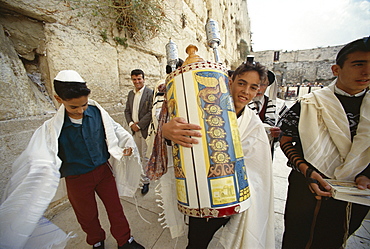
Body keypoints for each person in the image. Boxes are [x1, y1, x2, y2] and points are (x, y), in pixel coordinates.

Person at [0, 70, 145, 249]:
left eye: (83, 105)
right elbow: (39, 155)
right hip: (76, 179)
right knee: (86, 215)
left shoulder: (97, 112)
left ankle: (124, 240)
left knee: (115, 208)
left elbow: (115, 130)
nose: (81, 111)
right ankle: (96, 241)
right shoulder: (51, 129)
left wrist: (126, 146)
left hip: (103, 172)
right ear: (59, 99)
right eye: (74, 107)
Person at [158, 61, 275, 249]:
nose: (246, 91)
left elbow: (259, 170)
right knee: (197, 242)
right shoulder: (203, 108)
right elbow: (185, 140)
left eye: (253, 87)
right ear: (230, 81)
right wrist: (166, 131)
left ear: (258, 91)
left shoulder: (253, 124)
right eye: (242, 83)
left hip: (236, 198)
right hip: (202, 194)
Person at [279, 36, 370, 249]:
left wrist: (366, 174)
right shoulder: (310, 103)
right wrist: (308, 172)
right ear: (336, 69)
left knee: (334, 239)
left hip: (354, 193)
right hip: (306, 186)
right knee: (297, 238)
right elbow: (286, 140)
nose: (366, 72)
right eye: (359, 65)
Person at [124, 69, 153, 195]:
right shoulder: (131, 94)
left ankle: (146, 182)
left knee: (145, 157)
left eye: (139, 79)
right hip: (134, 130)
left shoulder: (149, 93)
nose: (137, 82)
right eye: (134, 79)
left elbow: (151, 111)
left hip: (145, 130)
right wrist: (131, 124)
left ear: (143, 79)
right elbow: (127, 111)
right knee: (137, 156)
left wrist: (139, 125)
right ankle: (141, 178)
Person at [247, 70, 287, 156]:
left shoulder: (279, 106)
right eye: (255, 84)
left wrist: (278, 133)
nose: (259, 89)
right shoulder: (238, 104)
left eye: (263, 85)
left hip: (266, 153)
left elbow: (287, 131)